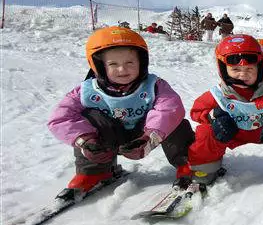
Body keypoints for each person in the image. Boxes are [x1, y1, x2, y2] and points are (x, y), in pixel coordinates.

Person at [47, 26, 193, 197]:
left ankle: (188, 164)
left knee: (176, 122)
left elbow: (170, 108)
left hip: (146, 135)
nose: (122, 70)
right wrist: (85, 142)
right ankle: (94, 172)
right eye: (113, 64)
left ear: (142, 62)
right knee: (89, 117)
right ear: (99, 66)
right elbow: (60, 118)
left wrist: (149, 139)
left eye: (129, 63)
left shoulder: (154, 85)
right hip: (105, 140)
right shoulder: (85, 91)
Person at [187, 34, 263, 189]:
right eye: (235, 69)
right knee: (205, 132)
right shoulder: (218, 95)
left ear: (260, 68)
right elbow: (197, 111)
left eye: (249, 69)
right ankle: (204, 171)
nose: (243, 74)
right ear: (223, 69)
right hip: (231, 132)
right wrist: (215, 117)